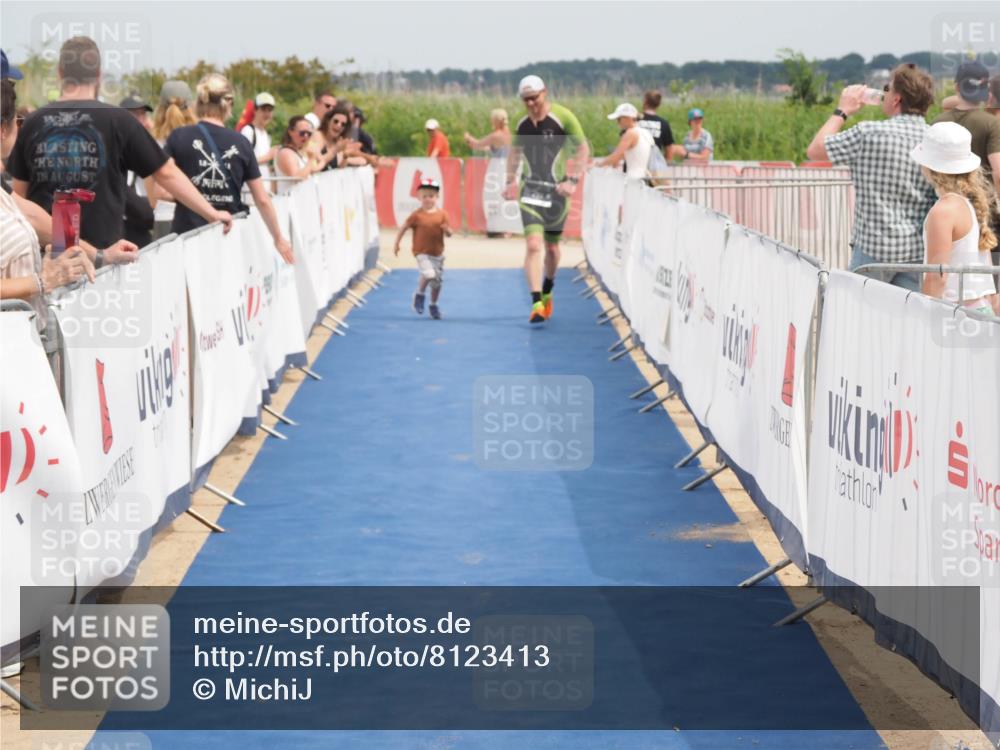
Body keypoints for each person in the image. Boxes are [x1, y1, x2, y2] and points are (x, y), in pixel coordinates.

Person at [7, 37, 232, 248]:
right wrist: (212, 213)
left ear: (60, 73)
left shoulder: (32, 123)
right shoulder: (119, 121)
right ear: (99, 75)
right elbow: (166, 173)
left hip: (48, 261)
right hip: (104, 262)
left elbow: (19, 196)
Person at [1, 78, 136, 329]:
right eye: (18, 121)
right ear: (3, 130)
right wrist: (42, 281)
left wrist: (99, 256)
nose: (21, 127)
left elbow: (32, 216)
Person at [806, 63, 937, 291]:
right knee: (907, 322)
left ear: (896, 99)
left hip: (872, 249)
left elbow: (816, 150)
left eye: (887, 89)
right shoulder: (934, 138)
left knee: (861, 320)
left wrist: (842, 110)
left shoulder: (868, 132)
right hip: (916, 251)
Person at [163, 73, 292, 262]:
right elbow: (262, 199)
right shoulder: (241, 142)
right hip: (228, 235)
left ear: (199, 102)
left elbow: (160, 191)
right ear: (229, 103)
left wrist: (191, 195)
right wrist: (278, 238)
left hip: (187, 237)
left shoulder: (178, 137)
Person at [504, 74, 589, 323]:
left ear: (545, 93)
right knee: (533, 245)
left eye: (535, 98)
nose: (531, 103)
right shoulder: (522, 125)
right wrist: (510, 181)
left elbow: (582, 148)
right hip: (529, 191)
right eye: (526, 100)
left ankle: (548, 288)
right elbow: (515, 153)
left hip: (557, 194)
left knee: (551, 248)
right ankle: (536, 303)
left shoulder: (562, 117)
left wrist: (572, 180)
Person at [909, 122, 999, 315]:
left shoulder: (944, 211)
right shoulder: (970, 203)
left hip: (956, 313)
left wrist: (923, 320)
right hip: (979, 308)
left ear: (928, 166)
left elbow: (937, 276)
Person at [393, 177, 452, 320]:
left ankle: (433, 304)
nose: (428, 199)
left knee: (436, 282)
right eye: (424, 196)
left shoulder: (443, 214)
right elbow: (404, 228)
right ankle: (419, 294)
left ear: (437, 197)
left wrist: (447, 230)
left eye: (431, 196)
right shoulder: (417, 215)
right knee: (429, 273)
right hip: (421, 252)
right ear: (419, 197)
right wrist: (397, 243)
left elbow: (449, 233)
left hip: (437, 253)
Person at [149, 80, 197, 238]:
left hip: (164, 217)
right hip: (194, 218)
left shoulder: (153, 141)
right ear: (191, 107)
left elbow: (156, 196)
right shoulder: (198, 140)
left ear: (160, 108)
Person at [120, 93, 155, 247]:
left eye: (143, 115)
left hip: (141, 232)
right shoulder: (113, 151)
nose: (142, 121)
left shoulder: (151, 151)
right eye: (136, 115)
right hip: (118, 232)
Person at [595, 102, 655, 180]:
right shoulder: (645, 133)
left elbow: (616, 156)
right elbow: (626, 155)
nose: (617, 122)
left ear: (628, 118)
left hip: (633, 179)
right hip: (645, 177)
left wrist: (597, 165)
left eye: (619, 119)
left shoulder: (630, 133)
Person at [273, 115, 331, 195]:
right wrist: (311, 160)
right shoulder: (285, 153)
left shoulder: (299, 152)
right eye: (302, 133)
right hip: (289, 202)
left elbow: (313, 170)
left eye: (309, 134)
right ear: (290, 132)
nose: (306, 136)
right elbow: (297, 177)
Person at [240, 92, 279, 185]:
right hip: (250, 191)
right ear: (255, 110)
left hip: (264, 188)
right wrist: (268, 157)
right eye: (263, 110)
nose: (267, 114)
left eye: (270, 110)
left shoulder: (265, 134)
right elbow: (243, 161)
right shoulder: (248, 131)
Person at [637, 90, 674, 158]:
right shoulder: (663, 123)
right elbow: (669, 149)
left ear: (645, 102)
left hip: (636, 162)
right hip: (654, 164)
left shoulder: (634, 120)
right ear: (658, 104)